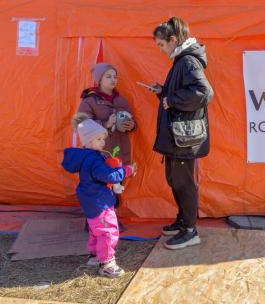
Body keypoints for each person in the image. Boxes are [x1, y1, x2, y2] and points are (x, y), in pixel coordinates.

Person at [149, 17, 213, 250]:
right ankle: (183, 221)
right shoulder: (181, 60)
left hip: (184, 138)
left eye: (161, 44)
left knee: (183, 183)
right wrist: (163, 93)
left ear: (173, 40)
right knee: (175, 181)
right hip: (179, 136)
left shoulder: (187, 61)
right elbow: (183, 94)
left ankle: (190, 231)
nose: (160, 49)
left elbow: (203, 92)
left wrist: (171, 99)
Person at [62, 113, 137, 278]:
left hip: (91, 200)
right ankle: (107, 263)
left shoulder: (89, 156)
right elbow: (109, 176)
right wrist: (126, 170)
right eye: (99, 139)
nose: (103, 142)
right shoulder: (93, 160)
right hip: (99, 201)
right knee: (107, 230)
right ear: (88, 141)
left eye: (103, 139)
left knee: (95, 229)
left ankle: (95, 256)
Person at [78, 62, 135, 231]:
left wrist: (131, 125)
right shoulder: (90, 101)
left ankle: (112, 218)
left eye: (115, 76)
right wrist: (105, 123)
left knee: (116, 182)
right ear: (99, 80)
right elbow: (81, 124)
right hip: (99, 151)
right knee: (98, 184)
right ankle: (93, 220)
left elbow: (132, 122)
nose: (113, 80)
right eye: (108, 76)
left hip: (119, 150)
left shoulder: (121, 100)